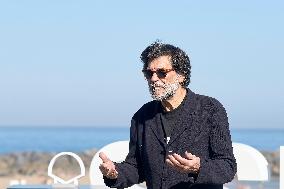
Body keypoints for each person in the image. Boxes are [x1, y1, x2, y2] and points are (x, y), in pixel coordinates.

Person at [99, 41, 237, 189]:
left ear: (181, 75)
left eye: (161, 72)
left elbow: (227, 167)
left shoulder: (210, 109)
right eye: (148, 73)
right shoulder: (142, 117)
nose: (153, 79)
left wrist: (198, 168)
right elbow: (137, 167)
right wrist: (115, 173)